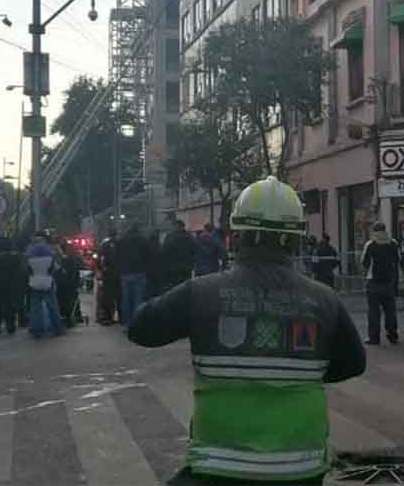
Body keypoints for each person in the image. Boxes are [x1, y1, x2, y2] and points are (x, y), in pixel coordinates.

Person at [128, 176, 366, 483]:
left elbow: (140, 329)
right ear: (296, 239)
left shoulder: (201, 293)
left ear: (236, 235)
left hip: (218, 466)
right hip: (301, 470)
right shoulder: (325, 300)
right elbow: (354, 363)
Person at [361, 223, 399, 346]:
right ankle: (392, 335)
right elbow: (397, 260)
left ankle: (374, 338)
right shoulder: (393, 243)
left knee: (373, 312)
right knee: (390, 311)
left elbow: (364, 262)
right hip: (388, 282)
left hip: (373, 282)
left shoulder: (370, 244)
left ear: (374, 231)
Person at [27, 232, 65, 337]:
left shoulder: (30, 259)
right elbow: (56, 269)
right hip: (48, 283)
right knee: (53, 307)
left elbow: (28, 271)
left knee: (35, 308)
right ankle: (57, 329)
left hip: (34, 284)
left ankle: (37, 330)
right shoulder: (50, 258)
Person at [0, 236, 26, 335]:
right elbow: (20, 271)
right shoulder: (16, 257)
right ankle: (10, 326)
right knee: (10, 306)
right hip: (12, 285)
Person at [116, 223, 151, 326]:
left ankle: (127, 323)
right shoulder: (143, 240)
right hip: (139, 272)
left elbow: (117, 256)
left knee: (126, 299)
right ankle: (138, 323)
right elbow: (148, 255)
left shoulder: (122, 240)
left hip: (125, 273)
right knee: (138, 299)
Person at [54, 240, 83, 328]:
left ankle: (70, 316)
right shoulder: (71, 259)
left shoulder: (60, 259)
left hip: (62, 284)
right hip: (70, 284)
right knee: (72, 299)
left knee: (65, 300)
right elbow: (77, 270)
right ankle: (75, 316)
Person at [162, 219, 195, 290]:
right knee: (186, 287)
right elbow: (194, 250)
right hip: (186, 268)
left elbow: (164, 252)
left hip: (174, 269)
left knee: (175, 289)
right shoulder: (189, 236)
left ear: (176, 226)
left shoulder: (170, 237)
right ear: (183, 226)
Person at [97, 227, 120, 325]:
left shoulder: (104, 244)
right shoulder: (119, 243)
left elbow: (100, 258)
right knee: (119, 296)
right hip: (118, 273)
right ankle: (121, 317)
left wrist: (101, 270)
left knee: (107, 296)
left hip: (108, 273)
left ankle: (107, 317)